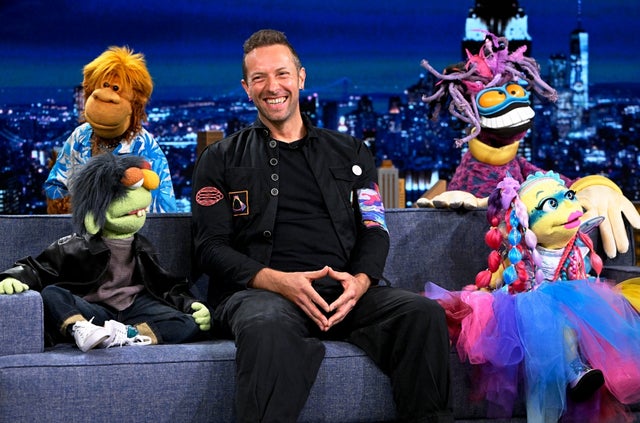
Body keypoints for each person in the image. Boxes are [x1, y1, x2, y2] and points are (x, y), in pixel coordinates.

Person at [191, 29, 452, 422]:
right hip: (261, 296)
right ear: (246, 89)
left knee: (422, 314)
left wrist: (360, 281)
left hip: (345, 293)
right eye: (259, 78)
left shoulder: (351, 152)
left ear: (301, 78)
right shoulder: (219, 158)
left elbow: (374, 228)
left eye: (282, 74)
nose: (272, 87)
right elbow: (209, 248)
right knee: (266, 327)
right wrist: (279, 281)